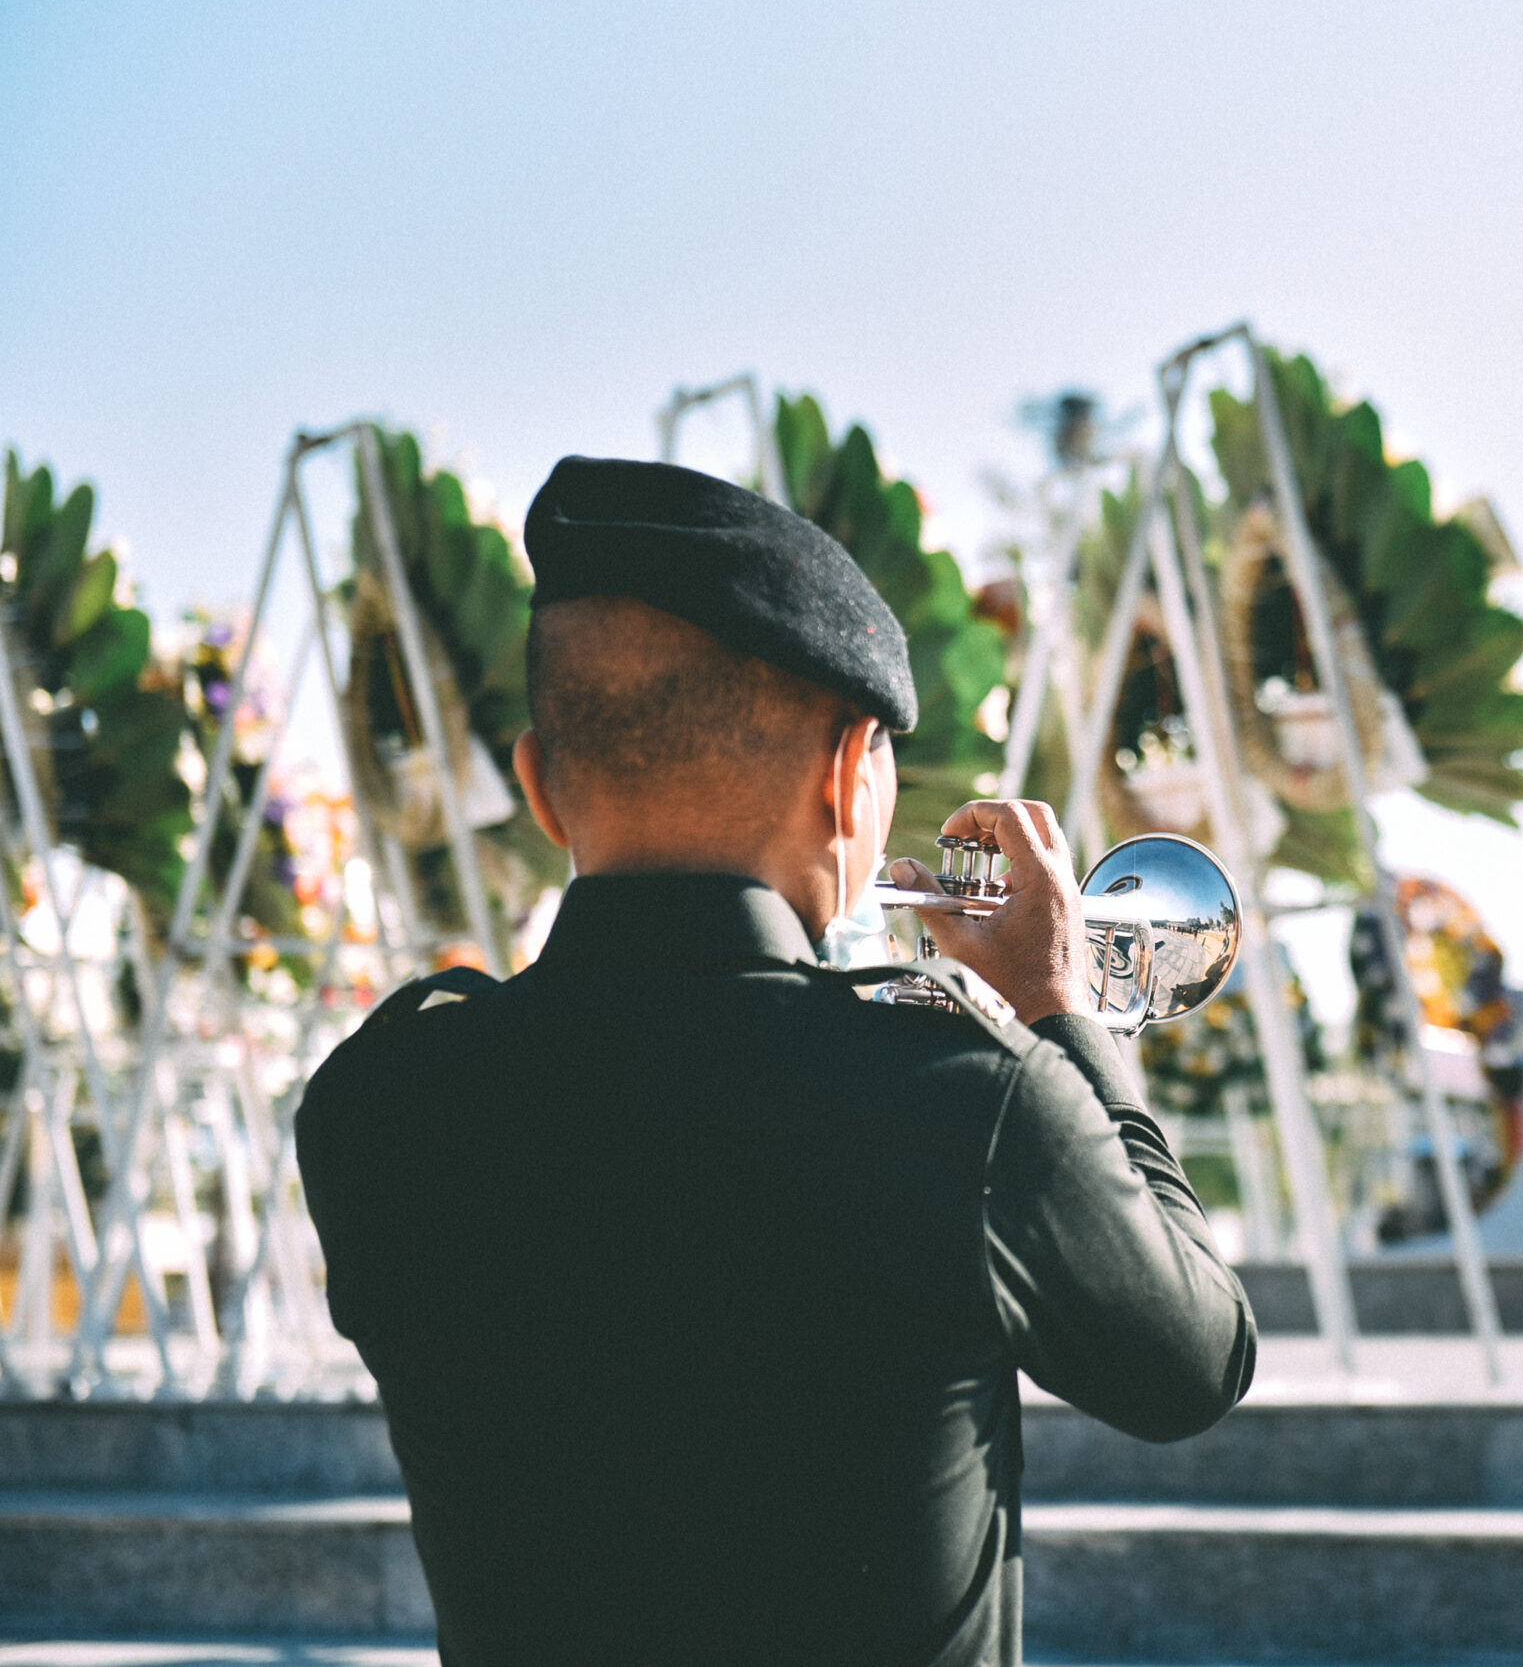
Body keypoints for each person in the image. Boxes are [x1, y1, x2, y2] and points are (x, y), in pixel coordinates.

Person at [297, 457, 1256, 1666]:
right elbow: (1194, 1362)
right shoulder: (968, 1099)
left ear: (539, 786)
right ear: (849, 775)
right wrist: (1062, 1011)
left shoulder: (376, 1100)